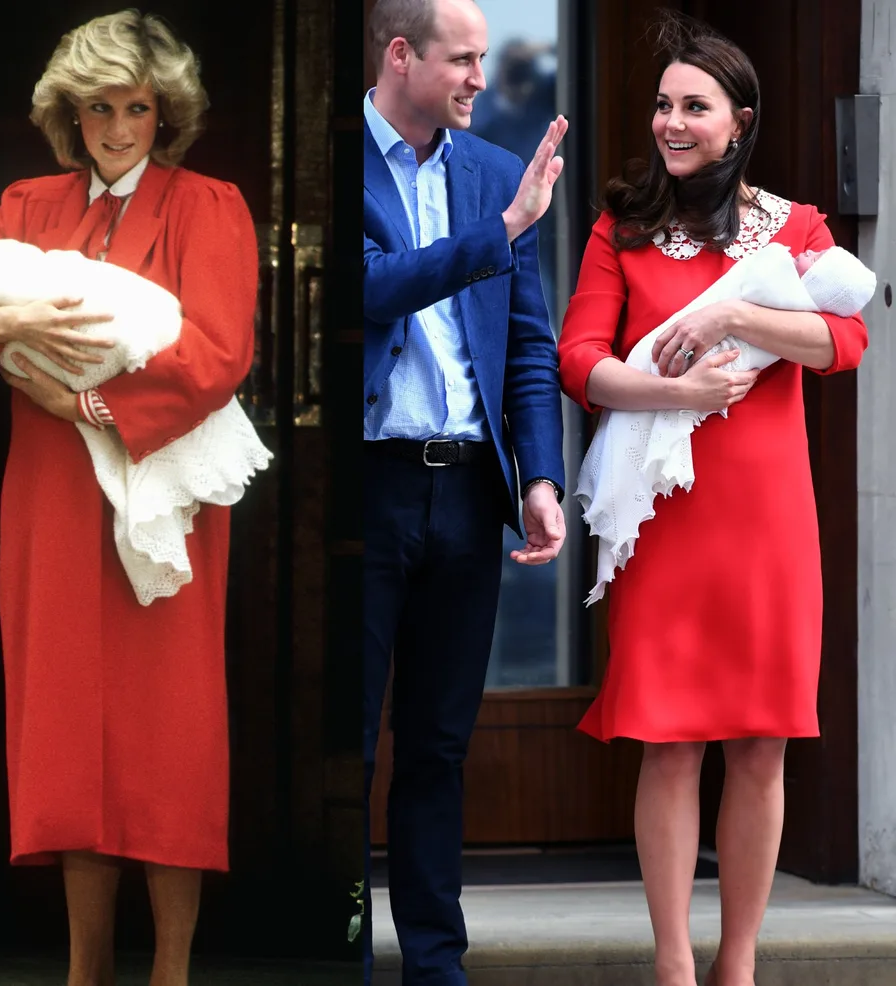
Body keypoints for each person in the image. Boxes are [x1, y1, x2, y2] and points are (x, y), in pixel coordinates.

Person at [0, 11, 257, 986]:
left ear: (165, 114)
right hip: (52, 493)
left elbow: (219, 351)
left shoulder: (209, 204)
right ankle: (85, 967)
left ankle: (172, 969)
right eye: (98, 107)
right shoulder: (26, 203)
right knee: (66, 725)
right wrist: (3, 324)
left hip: (160, 483)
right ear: (70, 113)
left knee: (169, 727)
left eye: (136, 108)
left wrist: (89, 397)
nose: (116, 129)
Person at [557, 13, 868, 986]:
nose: (671, 121)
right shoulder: (622, 227)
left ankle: (736, 965)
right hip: (662, 519)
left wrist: (736, 311)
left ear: (739, 121)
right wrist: (674, 393)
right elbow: (578, 362)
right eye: (662, 104)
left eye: (694, 106)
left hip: (767, 524)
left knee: (761, 745)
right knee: (668, 743)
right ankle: (672, 965)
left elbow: (844, 344)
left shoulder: (798, 227)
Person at [363, 1, 568, 983]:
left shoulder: (491, 174)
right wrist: (501, 232)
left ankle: (434, 966)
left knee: (439, 744)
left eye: (488, 59)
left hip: (465, 494)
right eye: (462, 59)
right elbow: (367, 289)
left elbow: (529, 342)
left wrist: (537, 475)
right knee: (346, 744)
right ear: (399, 55)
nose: (480, 78)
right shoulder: (335, 159)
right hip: (365, 490)